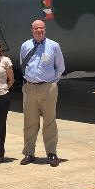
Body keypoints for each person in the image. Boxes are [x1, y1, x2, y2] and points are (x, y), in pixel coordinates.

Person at [19, 19, 65, 167]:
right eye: (36, 28)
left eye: (41, 28)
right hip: (30, 88)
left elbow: (61, 67)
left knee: (49, 121)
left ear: (45, 29)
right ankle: (29, 153)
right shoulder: (25, 46)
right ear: (32, 30)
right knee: (30, 122)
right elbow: (23, 65)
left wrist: (52, 82)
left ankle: (51, 153)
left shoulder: (54, 46)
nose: (39, 30)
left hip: (48, 87)